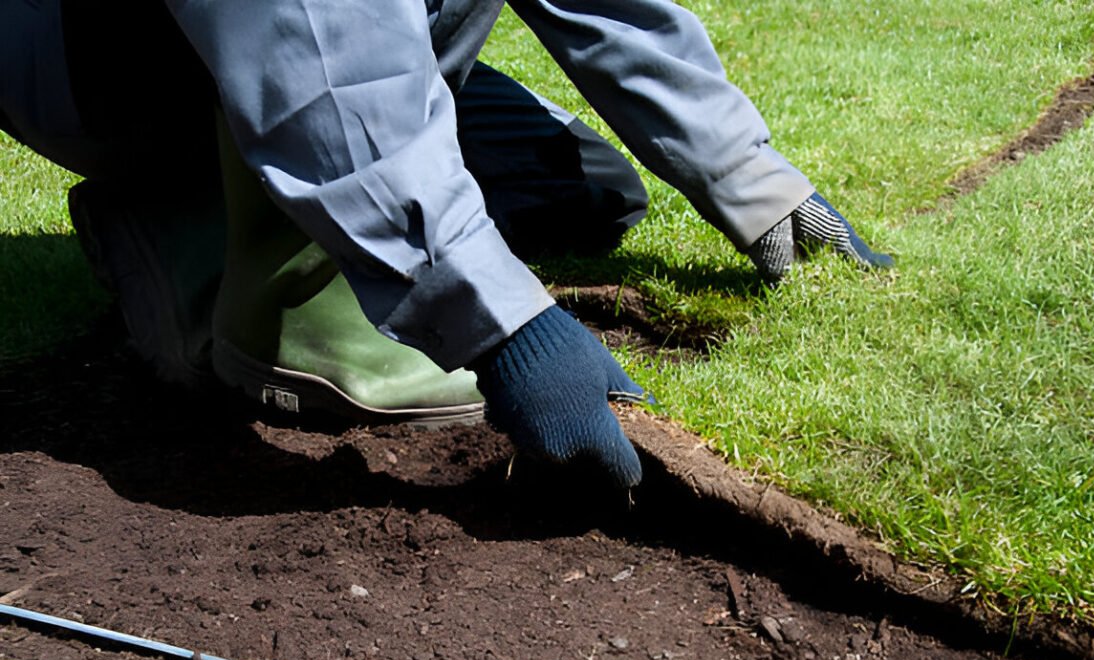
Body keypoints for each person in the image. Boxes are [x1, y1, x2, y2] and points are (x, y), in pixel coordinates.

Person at [1, 0, 892, 488]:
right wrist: (512, 334)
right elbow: (313, 44)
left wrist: (755, 181)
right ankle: (192, 246)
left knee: (583, 188)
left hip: (352, 30)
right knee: (331, 169)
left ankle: (279, 195)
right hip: (129, 68)